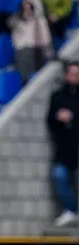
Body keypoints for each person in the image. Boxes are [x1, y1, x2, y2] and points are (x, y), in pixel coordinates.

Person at [46, 61, 79, 226]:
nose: (75, 77)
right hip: (63, 147)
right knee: (59, 176)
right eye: (72, 74)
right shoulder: (58, 96)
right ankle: (70, 210)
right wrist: (59, 118)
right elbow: (50, 120)